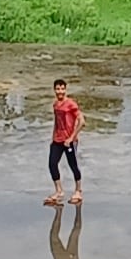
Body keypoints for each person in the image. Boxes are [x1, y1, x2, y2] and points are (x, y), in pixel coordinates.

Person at [44, 77, 84, 205]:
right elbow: (57, 122)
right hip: (57, 139)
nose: (60, 91)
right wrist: (53, 138)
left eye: (62, 89)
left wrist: (72, 137)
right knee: (52, 164)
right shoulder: (55, 105)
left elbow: (82, 122)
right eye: (57, 89)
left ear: (65, 89)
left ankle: (78, 190)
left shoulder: (71, 104)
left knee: (73, 165)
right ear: (54, 90)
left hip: (69, 140)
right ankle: (59, 191)